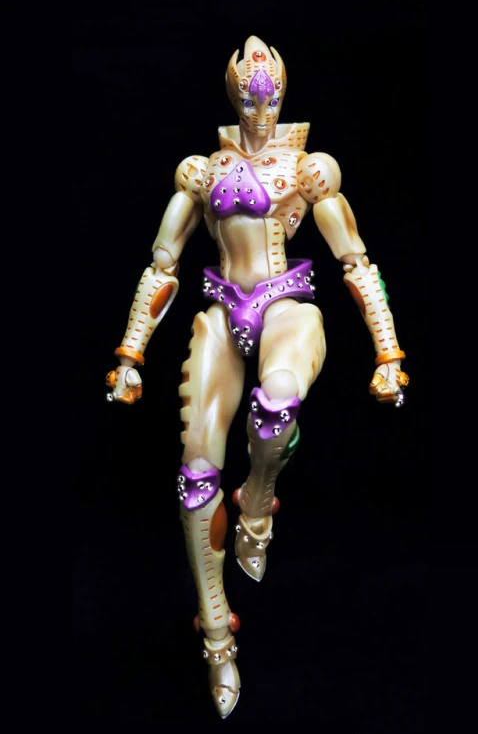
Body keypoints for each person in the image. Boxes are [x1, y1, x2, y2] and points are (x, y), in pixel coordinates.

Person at [105, 35, 409, 718]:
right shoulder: (201, 172)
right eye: (251, 98)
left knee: (277, 404)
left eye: (270, 99)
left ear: (282, 97)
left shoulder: (307, 169)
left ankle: (257, 502)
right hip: (222, 312)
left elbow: (355, 261)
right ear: (235, 96)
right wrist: (130, 355)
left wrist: (388, 352)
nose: (261, 110)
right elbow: (162, 264)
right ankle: (217, 638)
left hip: (284, 306)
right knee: (194, 476)